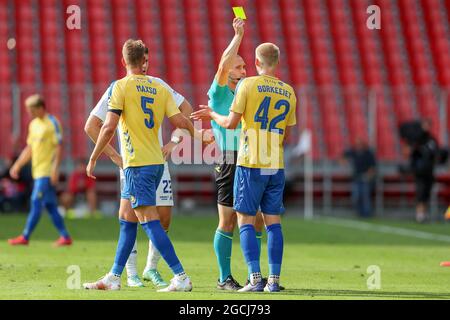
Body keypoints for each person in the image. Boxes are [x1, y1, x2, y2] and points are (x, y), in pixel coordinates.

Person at [83, 39, 212, 291]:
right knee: (127, 219)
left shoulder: (120, 87)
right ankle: (115, 276)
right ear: (144, 61)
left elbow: (108, 126)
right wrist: (199, 135)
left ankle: (180, 276)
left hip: (136, 165)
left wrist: (94, 156)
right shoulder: (158, 87)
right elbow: (180, 120)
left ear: (123, 61)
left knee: (149, 221)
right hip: (155, 164)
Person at [191, 42, 297, 292]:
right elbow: (286, 135)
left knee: (254, 220)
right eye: (238, 66)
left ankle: (255, 277)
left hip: (251, 157)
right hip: (235, 158)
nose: (244, 69)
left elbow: (232, 121)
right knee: (230, 221)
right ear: (227, 70)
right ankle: (226, 277)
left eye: (247, 65)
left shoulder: (247, 88)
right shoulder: (218, 92)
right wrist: (237, 35)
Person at [7, 94, 72, 246]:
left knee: (35, 200)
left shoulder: (52, 123)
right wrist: (17, 165)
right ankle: (65, 236)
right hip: (37, 171)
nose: (30, 113)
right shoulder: (33, 124)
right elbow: (29, 148)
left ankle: (25, 236)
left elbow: (59, 147)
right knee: (50, 205)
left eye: (32, 110)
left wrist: (55, 169)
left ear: (41, 107)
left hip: (46, 171)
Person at [341, 138, 377, 218]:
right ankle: (359, 213)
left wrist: (368, 175)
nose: (358, 146)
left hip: (365, 178)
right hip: (356, 178)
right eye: (357, 144)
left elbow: (372, 167)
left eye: (360, 144)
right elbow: (343, 157)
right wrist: (344, 162)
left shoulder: (368, 154)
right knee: (356, 197)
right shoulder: (353, 152)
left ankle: (367, 214)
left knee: (365, 197)